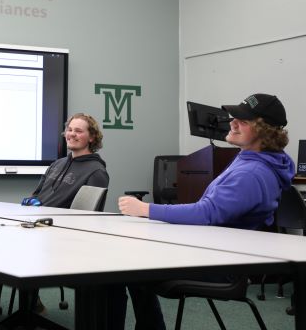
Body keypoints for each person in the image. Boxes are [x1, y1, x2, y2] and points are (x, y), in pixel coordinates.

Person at [118, 93, 295, 330]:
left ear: (265, 131)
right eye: (235, 117)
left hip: (222, 267)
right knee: (127, 262)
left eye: (243, 121)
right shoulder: (250, 159)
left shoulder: (252, 174)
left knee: (121, 267)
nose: (232, 122)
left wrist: (145, 209)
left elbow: (206, 213)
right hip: (213, 251)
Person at [0, 113, 122, 324]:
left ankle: (30, 306)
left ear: (92, 137)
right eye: (70, 129)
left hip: (57, 234)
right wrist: (32, 202)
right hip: (32, 225)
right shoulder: (57, 164)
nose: (72, 134)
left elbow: (87, 217)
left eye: (79, 131)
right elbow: (37, 194)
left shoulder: (96, 171)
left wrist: (45, 212)